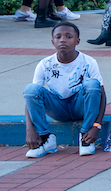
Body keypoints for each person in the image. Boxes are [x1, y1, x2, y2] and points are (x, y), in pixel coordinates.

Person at [23, 22, 106, 158]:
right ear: (52, 42)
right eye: (58, 37)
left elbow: (102, 95)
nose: (62, 40)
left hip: (80, 107)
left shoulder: (89, 62)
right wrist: (29, 129)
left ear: (77, 41)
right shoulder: (45, 64)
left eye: (68, 37)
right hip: (58, 108)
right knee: (31, 89)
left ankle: (85, 138)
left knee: (92, 84)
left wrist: (96, 126)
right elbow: (31, 98)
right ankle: (46, 139)